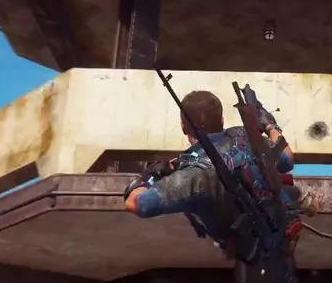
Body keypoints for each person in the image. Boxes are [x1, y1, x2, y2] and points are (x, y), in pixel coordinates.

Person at [123, 89, 315, 262]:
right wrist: (270, 126)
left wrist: (147, 177)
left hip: (248, 246)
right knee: (273, 178)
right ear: (222, 120)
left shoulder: (188, 177)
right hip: (275, 218)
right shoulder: (244, 135)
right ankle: (302, 199)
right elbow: (286, 159)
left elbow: (137, 204)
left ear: (183, 127)